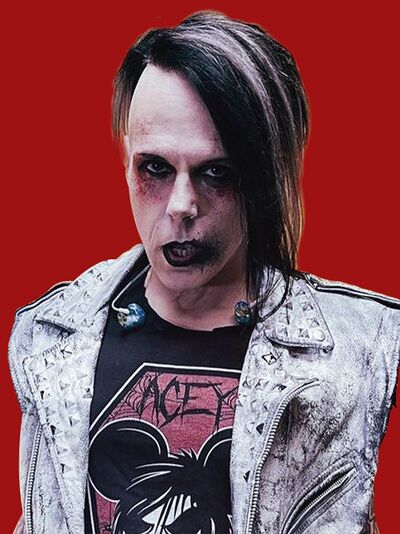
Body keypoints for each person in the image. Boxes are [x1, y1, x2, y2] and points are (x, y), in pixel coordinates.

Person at [9, 10, 399, 534]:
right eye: (155, 168)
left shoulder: (365, 349)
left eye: (216, 172)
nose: (181, 205)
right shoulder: (49, 338)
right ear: (126, 164)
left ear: (264, 178)